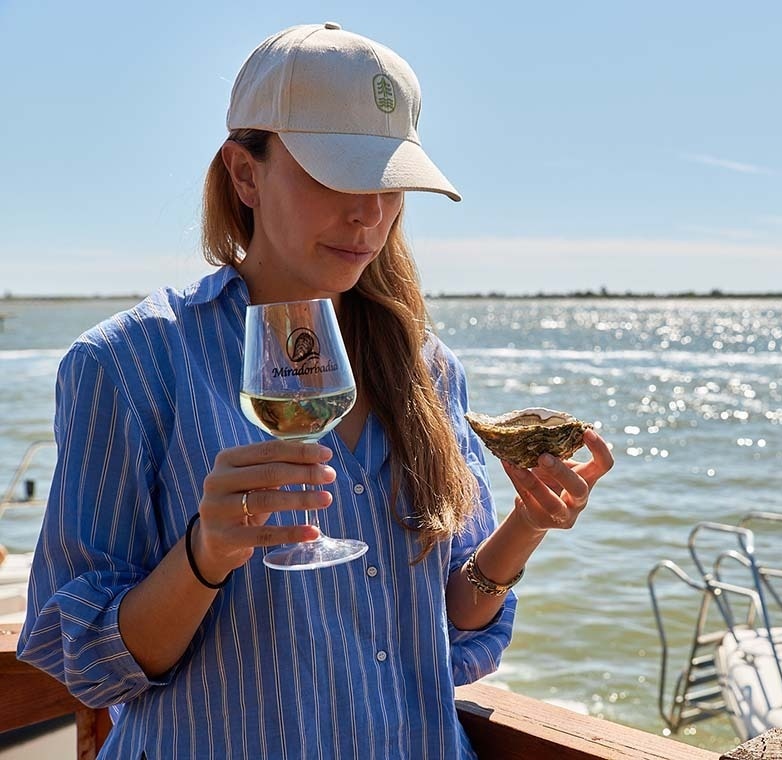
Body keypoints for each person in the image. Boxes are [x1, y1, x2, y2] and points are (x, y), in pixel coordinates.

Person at [18, 22, 613, 759]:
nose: (368, 213)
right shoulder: (129, 362)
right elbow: (81, 657)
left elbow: (450, 623)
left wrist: (527, 523)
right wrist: (205, 553)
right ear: (245, 174)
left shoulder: (428, 369)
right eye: (335, 174)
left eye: (389, 183)